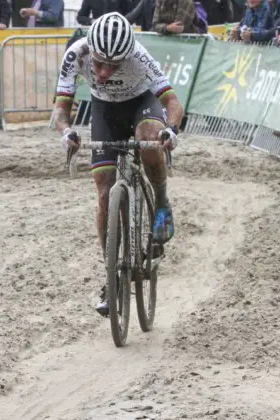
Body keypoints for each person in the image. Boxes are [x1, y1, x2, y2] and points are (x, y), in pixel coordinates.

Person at [51, 12, 182, 316]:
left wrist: (170, 130)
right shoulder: (76, 53)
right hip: (104, 111)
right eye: (99, 64)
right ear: (90, 52)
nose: (105, 72)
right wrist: (66, 131)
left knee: (149, 137)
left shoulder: (138, 55)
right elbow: (61, 108)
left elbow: (173, 102)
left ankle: (161, 201)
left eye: (114, 65)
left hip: (140, 104)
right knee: (103, 191)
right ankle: (112, 277)